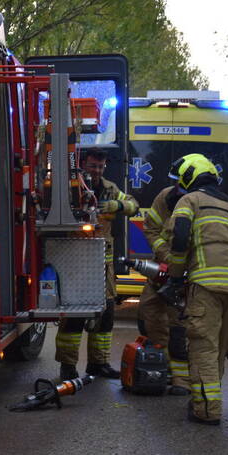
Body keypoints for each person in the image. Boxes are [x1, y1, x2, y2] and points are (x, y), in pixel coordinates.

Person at [157, 154, 228, 425]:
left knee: (203, 347)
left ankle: (207, 411)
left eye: (180, 180)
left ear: (189, 176)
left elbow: (180, 238)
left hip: (207, 283)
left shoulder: (190, 201)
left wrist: (175, 279)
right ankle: (208, 399)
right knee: (219, 347)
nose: (179, 187)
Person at [55, 148, 139, 380]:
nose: (97, 171)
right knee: (74, 317)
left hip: (104, 266)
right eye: (93, 166)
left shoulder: (111, 189)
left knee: (106, 315)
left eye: (101, 167)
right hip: (76, 263)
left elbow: (134, 205)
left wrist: (118, 206)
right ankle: (68, 367)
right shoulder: (71, 188)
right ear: (82, 164)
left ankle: (98, 364)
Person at [137, 183, 190, 394]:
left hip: (186, 272)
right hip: (162, 268)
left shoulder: (198, 201)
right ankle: (163, 365)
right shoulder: (166, 196)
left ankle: (182, 379)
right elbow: (150, 228)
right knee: (147, 310)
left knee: (178, 324)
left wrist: (179, 264)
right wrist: (166, 256)